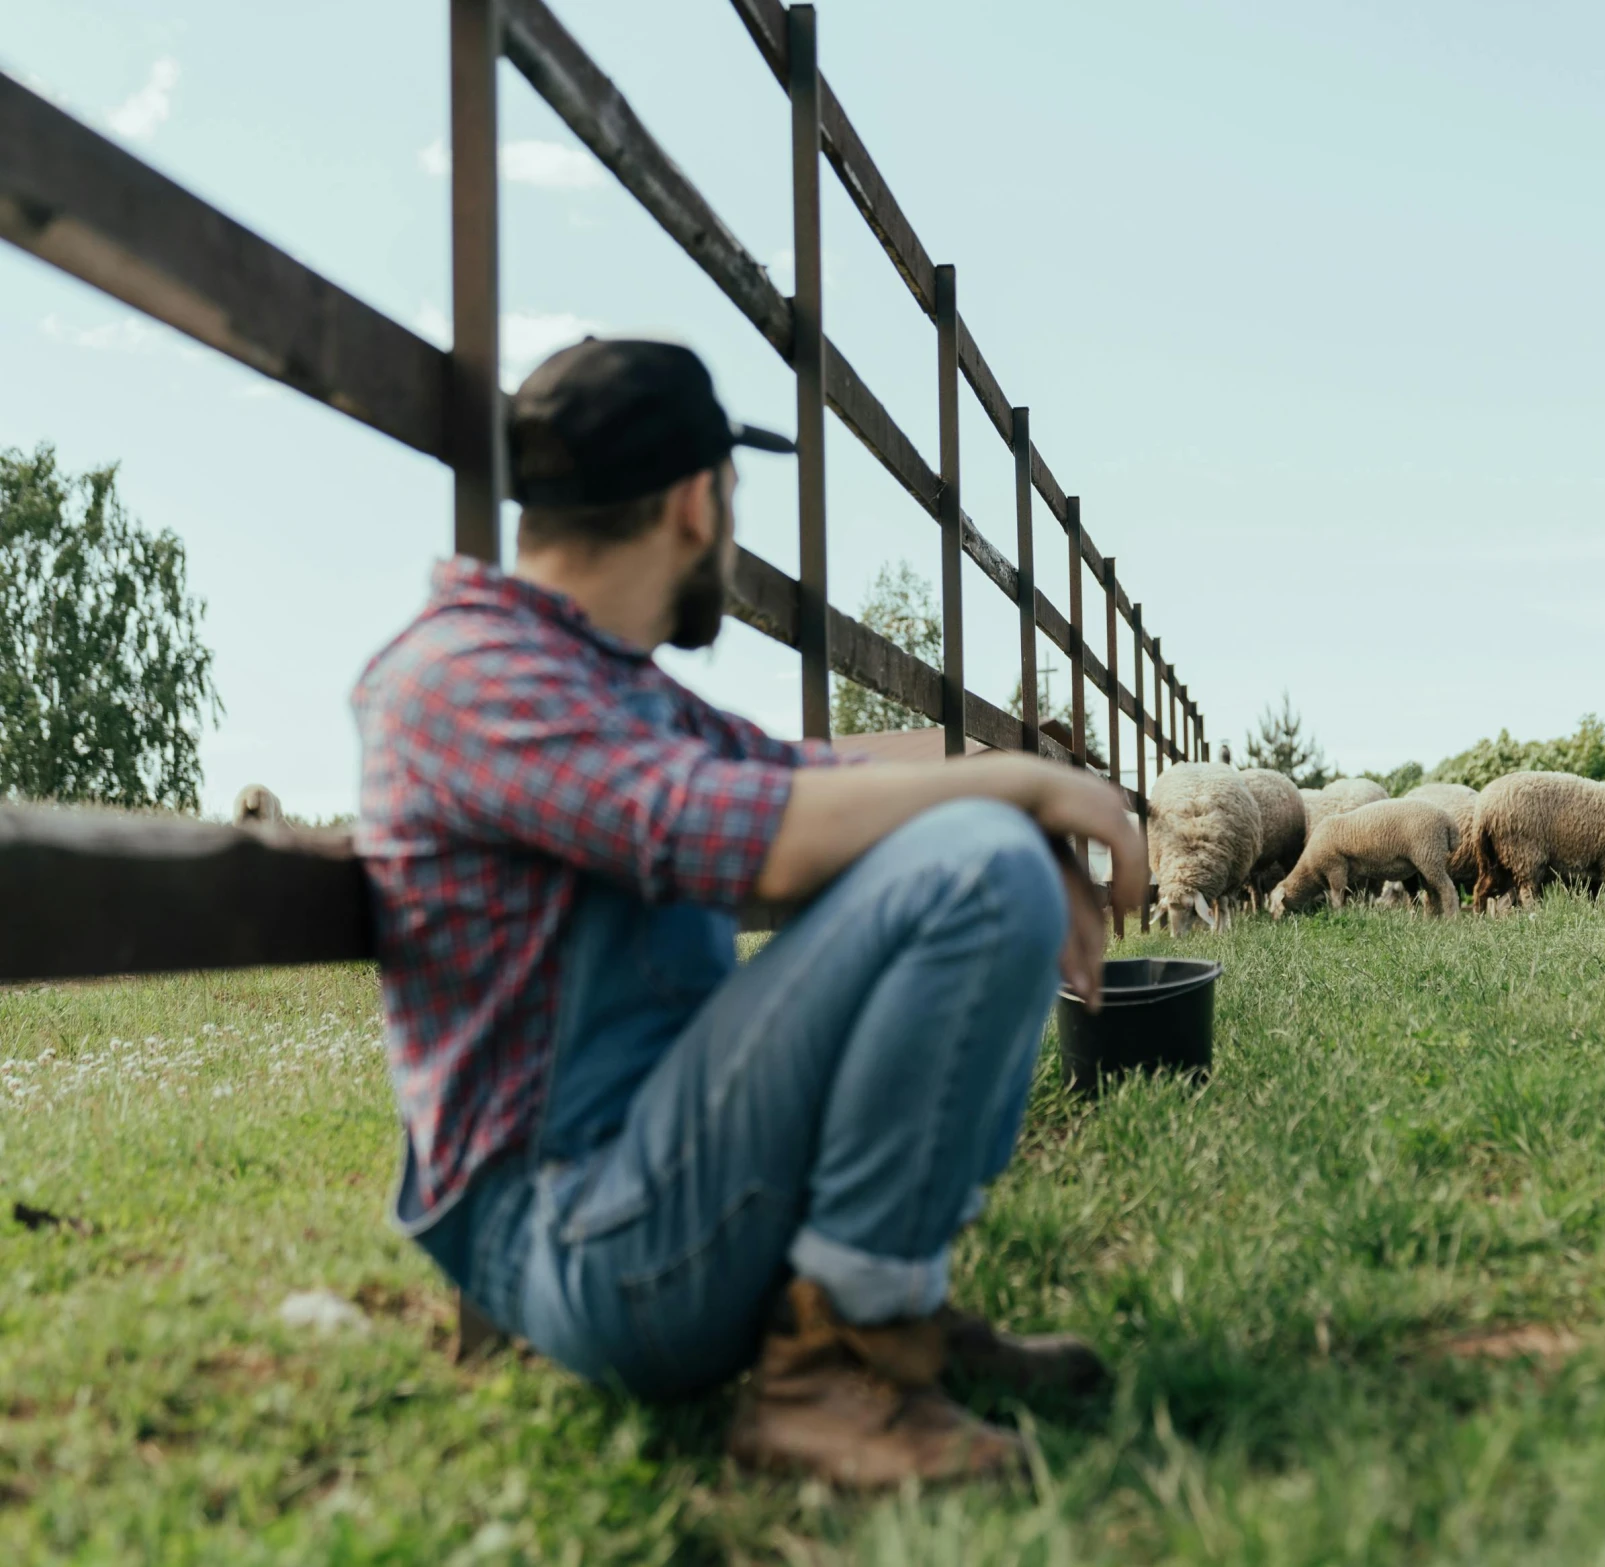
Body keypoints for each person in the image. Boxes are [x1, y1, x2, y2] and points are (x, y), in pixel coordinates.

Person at [351, 338, 1144, 1487]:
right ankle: (833, 1376)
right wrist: (1019, 787)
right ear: (694, 500)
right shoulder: (466, 678)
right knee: (974, 858)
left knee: (971, 847)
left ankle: (880, 1318)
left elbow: (805, 777)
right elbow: (721, 826)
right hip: (578, 1234)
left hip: (652, 1184)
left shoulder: (602, 683)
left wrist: (1003, 809)